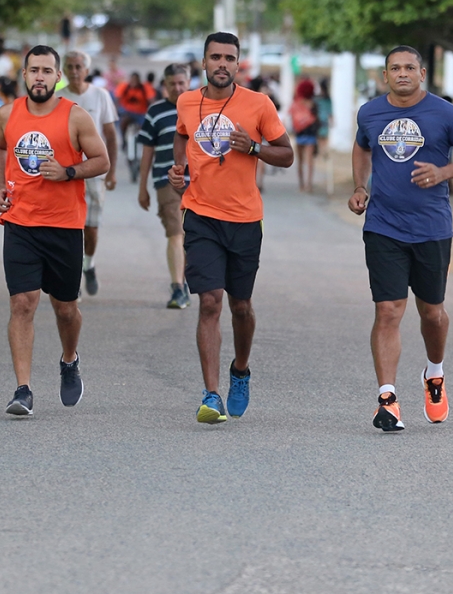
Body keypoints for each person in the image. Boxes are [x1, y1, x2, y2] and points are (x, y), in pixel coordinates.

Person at [349, 46, 453, 432]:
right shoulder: (370, 113)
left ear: (422, 73)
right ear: (385, 75)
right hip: (383, 226)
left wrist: (443, 173)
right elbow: (362, 146)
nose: (403, 74)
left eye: (410, 67)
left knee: (432, 314)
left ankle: (434, 373)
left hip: (431, 228)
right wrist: (360, 186)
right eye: (395, 68)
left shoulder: (446, 113)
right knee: (388, 310)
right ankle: (387, 400)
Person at [169, 32, 293, 423]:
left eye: (229, 58)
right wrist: (178, 169)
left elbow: (286, 154)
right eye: (215, 57)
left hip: (244, 219)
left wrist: (253, 148)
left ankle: (240, 370)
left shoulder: (259, 104)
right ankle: (211, 395)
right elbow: (181, 134)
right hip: (200, 214)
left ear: (238, 64)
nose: (222, 64)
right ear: (203, 62)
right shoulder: (187, 101)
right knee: (210, 301)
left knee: (241, 306)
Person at [0, 46, 110, 416]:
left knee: (65, 309)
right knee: (22, 303)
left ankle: (69, 359)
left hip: (64, 225)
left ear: (57, 77)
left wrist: (69, 172)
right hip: (21, 223)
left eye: (46, 71)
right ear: (24, 75)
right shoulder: (7, 114)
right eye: (33, 70)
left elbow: (101, 160)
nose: (39, 77)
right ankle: (22, 390)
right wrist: (0, 186)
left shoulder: (75, 116)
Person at [59, 50, 119, 295]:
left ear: (86, 70)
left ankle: (89, 264)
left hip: (94, 172)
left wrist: (111, 172)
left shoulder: (100, 95)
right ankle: (71, 279)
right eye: (70, 67)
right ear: (63, 70)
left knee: (90, 227)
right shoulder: (58, 98)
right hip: (65, 173)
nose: (74, 72)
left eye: (78, 67)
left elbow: (111, 136)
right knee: (67, 227)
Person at [137, 63, 191, 309]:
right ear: (165, 85)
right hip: (166, 180)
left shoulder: (200, 108)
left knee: (192, 235)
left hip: (197, 182)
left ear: (188, 83)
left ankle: (186, 281)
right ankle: (177, 287)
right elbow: (147, 151)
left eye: (181, 83)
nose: (177, 88)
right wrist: (142, 187)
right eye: (172, 84)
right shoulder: (156, 112)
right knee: (175, 232)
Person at [291, 79, 320, 192]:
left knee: (300, 161)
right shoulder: (313, 104)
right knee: (310, 161)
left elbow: (293, 119)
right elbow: (317, 120)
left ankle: (301, 184)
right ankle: (309, 184)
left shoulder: (296, 104)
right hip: (310, 135)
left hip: (299, 134)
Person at [115, 72, 155, 142]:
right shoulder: (125, 87)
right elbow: (118, 99)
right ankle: (124, 140)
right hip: (128, 112)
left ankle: (142, 141)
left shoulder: (144, 88)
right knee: (122, 123)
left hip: (141, 113)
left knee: (144, 127)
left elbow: (151, 100)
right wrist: (115, 110)